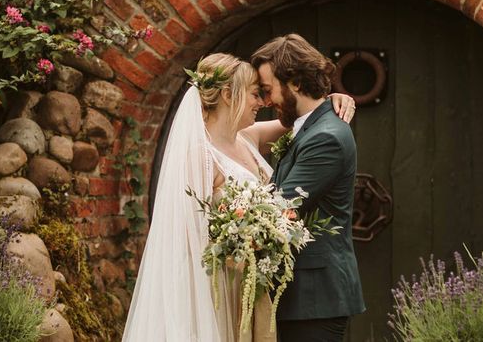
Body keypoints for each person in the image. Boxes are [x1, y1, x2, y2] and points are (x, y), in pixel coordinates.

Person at [122, 52, 355, 342]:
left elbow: (305, 117)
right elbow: (186, 237)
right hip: (220, 288)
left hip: (252, 287)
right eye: (255, 94)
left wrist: (332, 99)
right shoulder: (201, 157)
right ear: (228, 95)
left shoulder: (247, 137)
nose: (263, 102)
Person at [251, 33, 365, 342]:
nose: (265, 102)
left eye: (267, 90)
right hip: (304, 298)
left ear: (297, 83)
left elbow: (279, 210)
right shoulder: (310, 127)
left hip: (315, 298)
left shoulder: (325, 137)